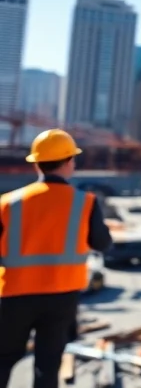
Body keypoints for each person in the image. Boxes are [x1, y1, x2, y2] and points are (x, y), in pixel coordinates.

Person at [0, 129, 113, 388]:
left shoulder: (8, 203)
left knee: (3, 360)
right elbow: (102, 243)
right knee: (48, 366)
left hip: (14, 294)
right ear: (69, 162)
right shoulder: (85, 203)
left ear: (37, 163)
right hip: (62, 295)